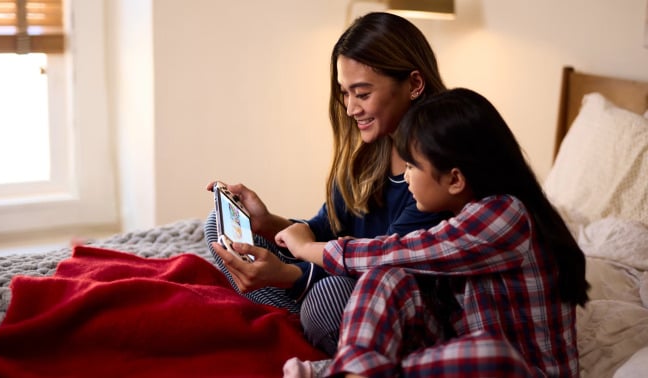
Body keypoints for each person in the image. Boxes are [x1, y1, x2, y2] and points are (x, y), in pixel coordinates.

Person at [277, 88, 590, 377]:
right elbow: (394, 265)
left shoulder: (507, 215)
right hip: (459, 360)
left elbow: (397, 249)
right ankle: (353, 370)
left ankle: (355, 372)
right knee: (385, 276)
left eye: (412, 165)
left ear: (455, 179)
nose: (407, 176)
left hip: (515, 369)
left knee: (491, 351)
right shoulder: (453, 218)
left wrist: (307, 249)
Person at [204, 11, 450, 355]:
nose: (350, 109)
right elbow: (326, 229)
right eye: (344, 93)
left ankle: (305, 312)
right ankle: (299, 310)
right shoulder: (367, 156)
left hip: (394, 304)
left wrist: (290, 275)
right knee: (220, 225)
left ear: (414, 84)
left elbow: (387, 274)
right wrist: (268, 223)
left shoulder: (434, 174)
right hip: (340, 279)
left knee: (327, 298)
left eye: (362, 94)